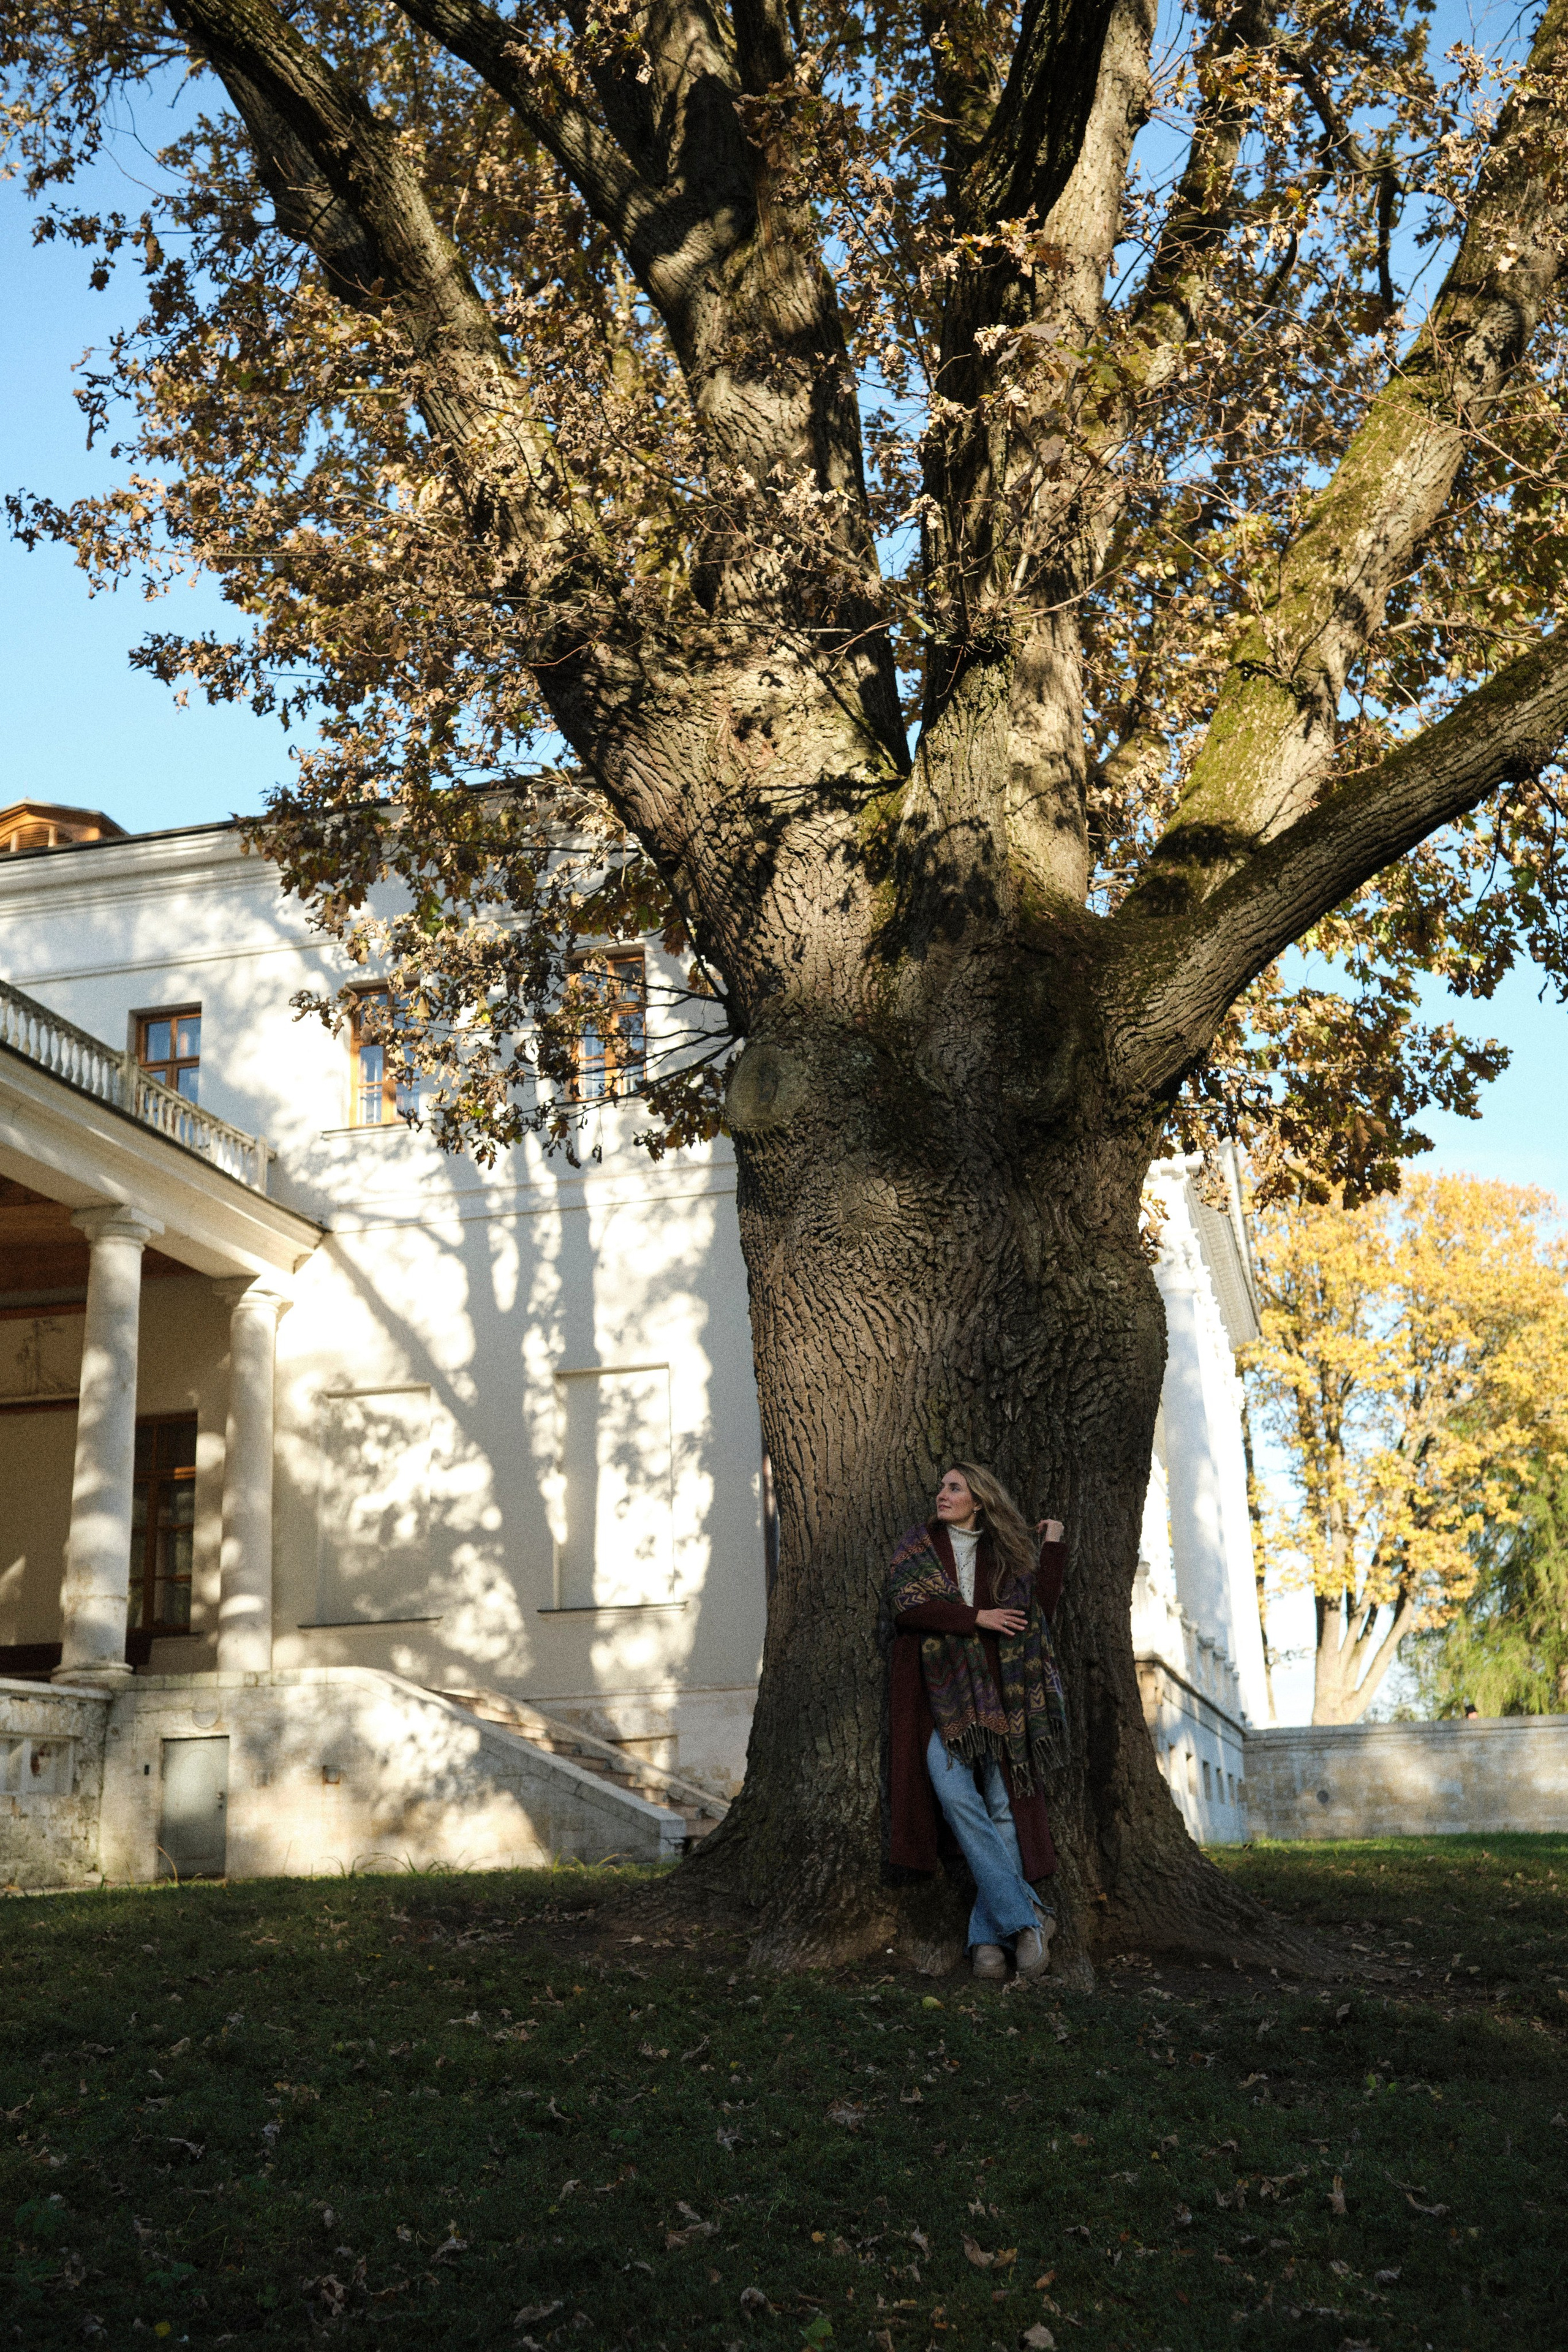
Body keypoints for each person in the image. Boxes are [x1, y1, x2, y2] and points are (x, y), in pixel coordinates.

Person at [879, 1463, 1069, 1980]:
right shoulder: (917, 1545)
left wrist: (1051, 1546)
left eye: (954, 1487)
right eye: (940, 1485)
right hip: (940, 1700)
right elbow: (908, 1607)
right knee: (955, 1794)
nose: (941, 1493)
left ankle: (987, 1939)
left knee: (1005, 1811)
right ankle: (1029, 1918)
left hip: (1004, 1697)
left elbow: (1037, 1617)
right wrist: (976, 1618)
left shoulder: (1003, 1554)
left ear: (979, 1500)